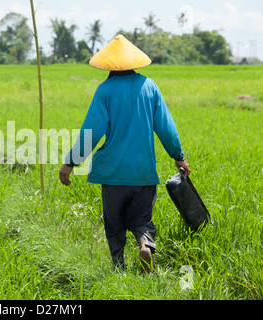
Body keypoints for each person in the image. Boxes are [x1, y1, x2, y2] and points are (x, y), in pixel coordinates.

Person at [59, 34, 191, 273]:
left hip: (112, 173)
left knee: (114, 223)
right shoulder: (149, 87)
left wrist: (71, 162)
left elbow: (92, 130)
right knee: (142, 220)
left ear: (108, 65)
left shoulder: (105, 90)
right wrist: (178, 155)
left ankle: (118, 268)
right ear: (134, 62)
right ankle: (145, 245)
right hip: (143, 172)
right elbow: (166, 127)